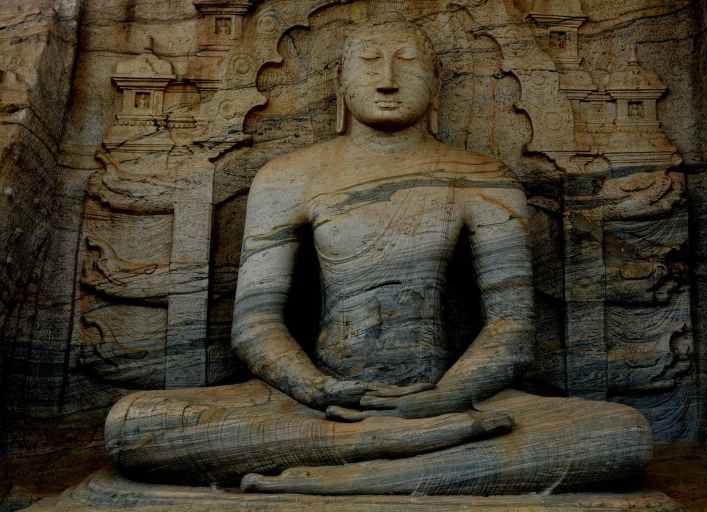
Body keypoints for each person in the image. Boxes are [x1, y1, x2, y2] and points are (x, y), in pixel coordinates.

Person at [105, 19, 652, 495]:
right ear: (341, 86)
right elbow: (255, 324)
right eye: (368, 63)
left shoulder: (483, 178)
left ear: (437, 86)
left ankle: (362, 474)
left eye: (407, 63)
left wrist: (444, 399)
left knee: (621, 434)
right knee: (133, 426)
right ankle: (404, 451)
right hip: (316, 406)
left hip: (448, 400)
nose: (387, 78)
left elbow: (511, 327)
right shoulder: (287, 177)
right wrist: (315, 387)